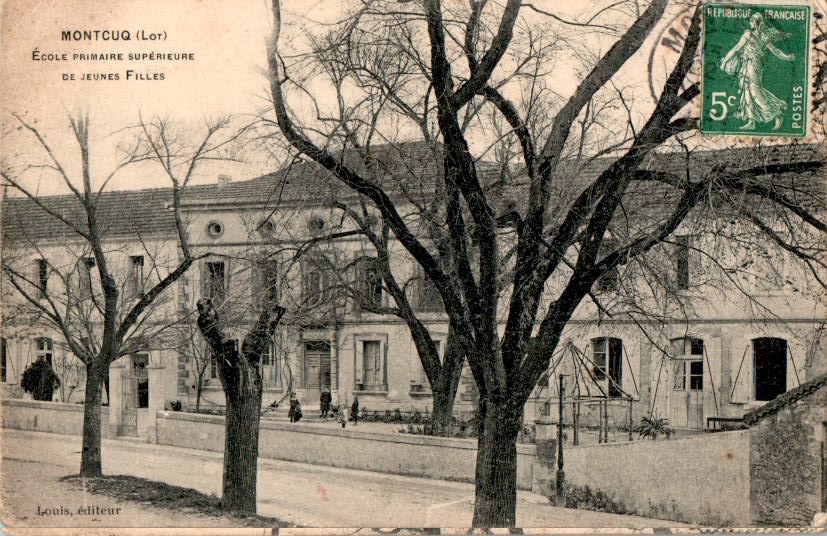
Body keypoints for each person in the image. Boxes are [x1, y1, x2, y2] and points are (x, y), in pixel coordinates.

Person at [719, 12, 795, 131]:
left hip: (753, 66)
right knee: (747, 90)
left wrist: (724, 62)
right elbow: (774, 50)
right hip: (749, 65)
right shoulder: (760, 36)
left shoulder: (751, 35)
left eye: (752, 21)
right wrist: (786, 57)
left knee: (754, 91)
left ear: (758, 23)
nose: (750, 23)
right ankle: (751, 121)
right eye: (750, 20)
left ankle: (776, 112)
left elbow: (737, 48)